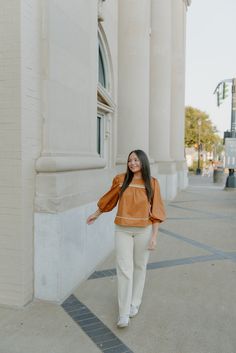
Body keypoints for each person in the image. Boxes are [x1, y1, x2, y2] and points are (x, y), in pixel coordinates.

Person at [86, 149, 166, 328]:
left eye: (136, 160)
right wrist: (96, 214)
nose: (132, 163)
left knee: (139, 267)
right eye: (130, 160)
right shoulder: (121, 180)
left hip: (144, 231)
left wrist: (154, 236)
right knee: (124, 270)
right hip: (122, 230)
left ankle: (134, 303)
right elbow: (110, 200)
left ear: (143, 162)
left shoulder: (152, 183)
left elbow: (157, 212)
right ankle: (123, 314)